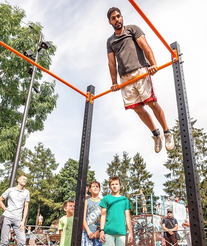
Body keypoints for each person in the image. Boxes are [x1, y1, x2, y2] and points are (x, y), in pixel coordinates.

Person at [106, 7, 175, 154]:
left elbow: (145, 46)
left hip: (139, 71)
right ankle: (156, 134)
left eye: (118, 16)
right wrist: (114, 82)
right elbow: (112, 62)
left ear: (122, 17)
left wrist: (153, 63)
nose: (117, 19)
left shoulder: (132, 29)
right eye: (113, 18)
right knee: (137, 108)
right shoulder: (110, 41)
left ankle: (167, 132)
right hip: (125, 77)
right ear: (109, 21)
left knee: (151, 102)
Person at [0, 174, 30, 246]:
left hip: (18, 219)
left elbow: (26, 206)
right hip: (7, 217)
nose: (25, 181)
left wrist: (23, 221)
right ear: (18, 180)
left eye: (26, 180)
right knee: (4, 242)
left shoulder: (26, 192)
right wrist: (6, 210)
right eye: (23, 179)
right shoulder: (10, 190)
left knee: (22, 241)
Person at [99, 176, 133, 246]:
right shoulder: (106, 199)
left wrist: (130, 232)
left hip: (121, 232)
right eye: (112, 184)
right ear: (110, 187)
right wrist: (101, 230)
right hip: (108, 231)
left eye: (116, 184)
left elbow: (127, 217)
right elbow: (103, 215)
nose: (114, 186)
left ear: (120, 186)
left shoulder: (125, 200)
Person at [82, 181, 102, 246]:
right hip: (87, 233)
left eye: (97, 186)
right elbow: (83, 217)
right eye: (93, 187)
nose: (95, 188)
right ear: (89, 190)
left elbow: (104, 218)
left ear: (100, 189)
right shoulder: (86, 201)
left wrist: (99, 231)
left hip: (99, 233)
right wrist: (88, 231)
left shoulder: (103, 202)